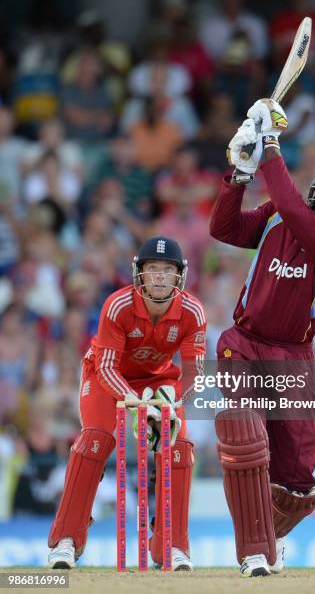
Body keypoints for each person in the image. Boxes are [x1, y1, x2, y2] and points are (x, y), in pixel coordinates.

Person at [209, 99, 315, 577]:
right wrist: (237, 175)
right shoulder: (279, 215)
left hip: (294, 358)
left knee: (297, 479)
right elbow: (224, 228)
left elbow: (294, 210)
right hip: (243, 343)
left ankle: (267, 540)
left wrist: (269, 147)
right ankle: (253, 550)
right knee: (246, 435)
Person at [47, 237, 206, 571]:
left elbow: (193, 373)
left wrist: (169, 400)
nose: (160, 277)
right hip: (107, 377)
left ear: (179, 275)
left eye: (167, 270)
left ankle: (172, 546)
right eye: (153, 269)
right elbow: (106, 366)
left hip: (160, 382)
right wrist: (137, 405)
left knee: (180, 446)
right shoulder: (118, 305)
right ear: (140, 273)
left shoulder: (192, 311)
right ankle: (66, 541)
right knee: (95, 440)